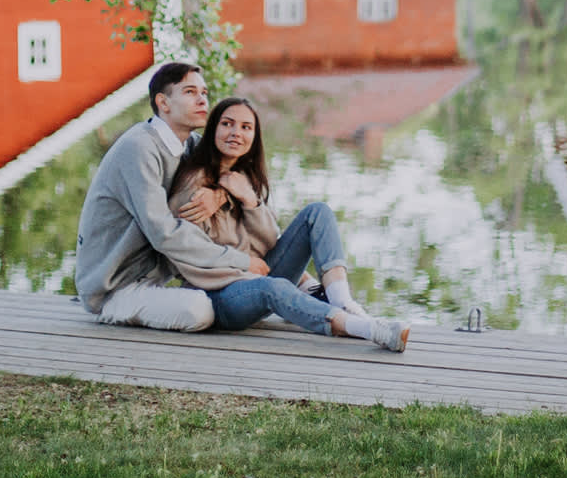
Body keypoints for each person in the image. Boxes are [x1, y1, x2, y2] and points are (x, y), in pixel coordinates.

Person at [165, 96, 411, 352]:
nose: (236, 133)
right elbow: (188, 254)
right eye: (227, 124)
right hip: (222, 296)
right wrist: (243, 266)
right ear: (213, 128)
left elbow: (270, 241)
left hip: (258, 276)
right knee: (274, 286)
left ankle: (343, 301)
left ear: (254, 136)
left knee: (318, 212)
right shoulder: (193, 188)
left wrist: (250, 200)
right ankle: (367, 329)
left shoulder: (245, 179)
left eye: (246, 127)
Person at [73, 62, 261, 331]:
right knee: (199, 311)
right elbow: (163, 232)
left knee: (242, 284)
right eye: (190, 92)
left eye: (204, 93)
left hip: (156, 279)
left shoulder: (190, 145)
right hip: (115, 287)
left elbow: (244, 173)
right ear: (163, 102)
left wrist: (219, 196)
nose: (202, 100)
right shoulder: (139, 148)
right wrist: (240, 261)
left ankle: (305, 288)